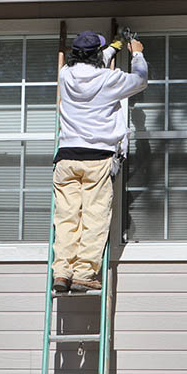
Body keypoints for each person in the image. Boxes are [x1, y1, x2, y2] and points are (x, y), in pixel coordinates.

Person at [52, 30, 147, 293]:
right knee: (94, 217)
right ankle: (84, 274)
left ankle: (62, 272)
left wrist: (112, 48)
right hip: (97, 158)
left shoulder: (65, 75)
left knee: (66, 218)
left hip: (66, 158)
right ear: (97, 55)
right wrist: (136, 52)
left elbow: (88, 66)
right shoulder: (110, 79)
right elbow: (140, 80)